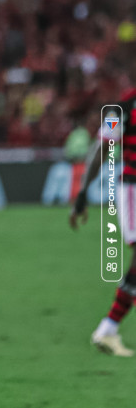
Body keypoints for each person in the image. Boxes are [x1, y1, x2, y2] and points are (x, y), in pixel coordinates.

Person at [70, 88, 136, 357]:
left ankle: (108, 330)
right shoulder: (122, 106)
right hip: (133, 189)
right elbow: (102, 148)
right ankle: (107, 329)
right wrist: (83, 194)